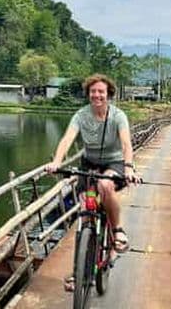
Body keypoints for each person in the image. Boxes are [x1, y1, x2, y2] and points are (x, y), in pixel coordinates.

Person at [44, 73, 136, 255]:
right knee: (86, 209)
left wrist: (128, 167)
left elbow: (126, 143)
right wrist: (57, 161)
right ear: (88, 94)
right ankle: (83, 263)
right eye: (93, 91)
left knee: (105, 185)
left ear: (108, 94)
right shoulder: (81, 115)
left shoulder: (118, 116)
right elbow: (67, 139)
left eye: (101, 91)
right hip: (89, 164)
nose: (97, 95)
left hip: (114, 163)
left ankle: (117, 229)